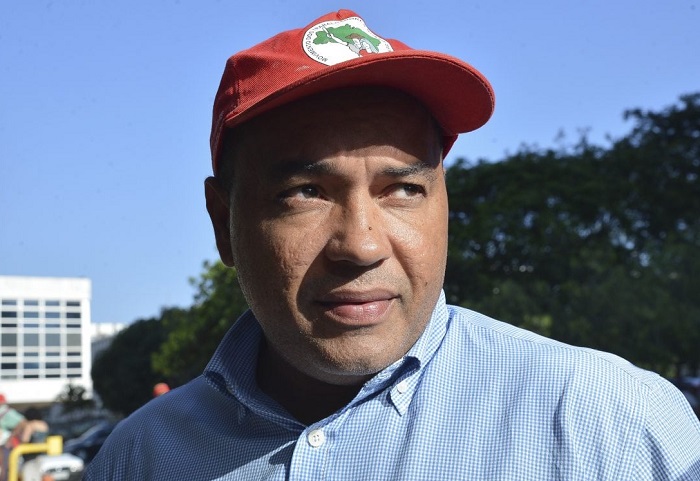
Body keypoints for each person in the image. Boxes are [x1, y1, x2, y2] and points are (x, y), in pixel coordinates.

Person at [85, 9, 700, 480]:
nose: (360, 245)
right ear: (224, 224)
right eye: (305, 192)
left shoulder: (615, 428)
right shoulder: (140, 460)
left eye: (403, 189)